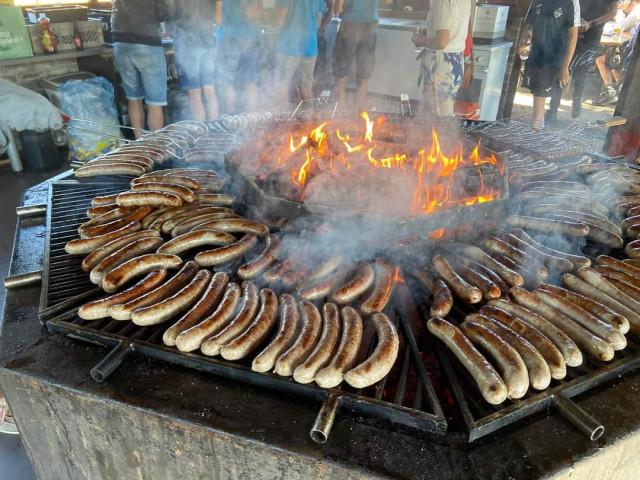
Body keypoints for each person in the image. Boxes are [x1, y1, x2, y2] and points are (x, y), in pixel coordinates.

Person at [546, 0, 617, 122]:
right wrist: (571, 25)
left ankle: (577, 99)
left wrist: (591, 24)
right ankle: (552, 110)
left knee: (581, 72)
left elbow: (613, 12)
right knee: (562, 69)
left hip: (592, 35)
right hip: (572, 29)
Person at [111, 0, 173, 136]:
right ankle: (154, 150)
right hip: (147, 42)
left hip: (120, 41)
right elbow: (165, 13)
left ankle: (140, 146)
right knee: (155, 102)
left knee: (133, 98)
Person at [518, 0, 581, 130]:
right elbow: (530, 24)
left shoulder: (571, 2)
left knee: (541, 94)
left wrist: (565, 66)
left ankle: (535, 128)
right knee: (536, 92)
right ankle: (537, 126)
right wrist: (523, 40)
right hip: (536, 54)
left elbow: (573, 36)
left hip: (555, 57)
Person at [411, 0, 473, 117]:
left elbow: (441, 42)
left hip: (441, 67)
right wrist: (429, 32)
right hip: (454, 63)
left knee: (432, 121)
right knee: (442, 117)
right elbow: (454, 29)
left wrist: (421, 40)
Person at [333, 0, 391, 107]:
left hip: (349, 24)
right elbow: (388, 1)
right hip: (369, 27)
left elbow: (337, 10)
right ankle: (358, 119)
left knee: (341, 77)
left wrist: (338, 7)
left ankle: (339, 118)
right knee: (362, 79)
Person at [214, 0, 263, 114]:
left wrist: (258, 11)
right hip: (250, 37)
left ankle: (232, 122)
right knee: (250, 81)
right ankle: (251, 121)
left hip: (227, 37)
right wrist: (258, 11)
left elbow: (218, 20)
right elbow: (260, 9)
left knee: (227, 83)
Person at [173, 0, 219, 121]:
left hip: (188, 41)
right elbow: (217, 17)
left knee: (194, 91)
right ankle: (214, 131)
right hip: (208, 39)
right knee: (210, 89)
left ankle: (201, 135)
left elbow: (169, 12)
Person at [274, 0, 325, 106]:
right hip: (309, 46)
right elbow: (319, 22)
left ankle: (283, 120)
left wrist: (263, 16)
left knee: (281, 87)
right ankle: (310, 120)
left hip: (288, 47)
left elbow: (280, 21)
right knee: (306, 89)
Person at [594, 0, 640, 105]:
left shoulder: (637, 10)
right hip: (630, 54)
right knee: (614, 60)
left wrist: (618, 12)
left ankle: (611, 92)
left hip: (631, 56)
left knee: (601, 60)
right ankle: (619, 90)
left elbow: (623, 26)